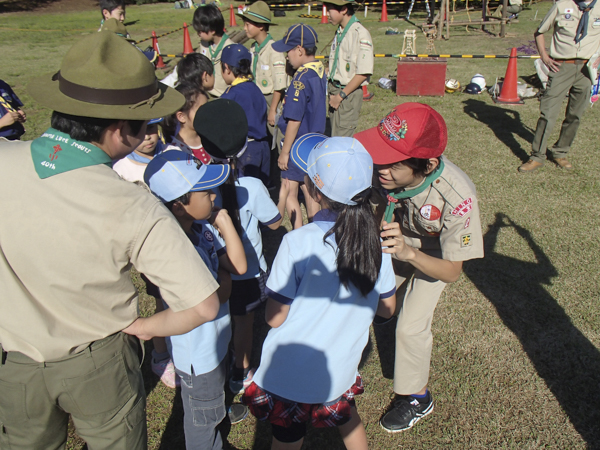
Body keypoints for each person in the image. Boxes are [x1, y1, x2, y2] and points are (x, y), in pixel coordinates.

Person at [0, 32, 221, 448]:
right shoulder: (133, 204)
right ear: (122, 131)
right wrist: (145, 327)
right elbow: (204, 303)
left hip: (16, 363)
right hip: (99, 362)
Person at [242, 134, 397, 450]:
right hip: (338, 371)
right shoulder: (378, 247)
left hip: (289, 375)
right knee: (347, 419)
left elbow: (274, 318)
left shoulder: (297, 243)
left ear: (312, 189)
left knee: (287, 436)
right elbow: (387, 309)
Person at [354, 103, 484, 433]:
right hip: (399, 236)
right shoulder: (380, 169)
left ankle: (417, 397)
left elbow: (452, 272)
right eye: (379, 155)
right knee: (364, 293)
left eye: (393, 163)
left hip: (436, 254)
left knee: (411, 325)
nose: (380, 167)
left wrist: (410, 254)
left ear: (428, 164)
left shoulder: (457, 196)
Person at [144, 150, 248, 449]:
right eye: (205, 192)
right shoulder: (174, 251)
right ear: (178, 206)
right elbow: (223, 290)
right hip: (198, 357)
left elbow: (237, 267)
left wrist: (224, 222)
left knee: (211, 407)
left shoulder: (202, 231)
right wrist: (223, 279)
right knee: (202, 417)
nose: (214, 197)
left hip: (214, 343)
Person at [193, 98, 285, 396]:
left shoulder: (198, 188)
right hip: (249, 273)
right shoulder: (253, 187)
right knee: (244, 322)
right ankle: (241, 372)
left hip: (212, 268)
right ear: (244, 145)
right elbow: (273, 224)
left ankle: (219, 363)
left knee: (220, 319)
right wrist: (284, 200)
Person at [518, 0, 600, 172]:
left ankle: (560, 152)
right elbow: (539, 32)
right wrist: (544, 57)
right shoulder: (562, 5)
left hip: (587, 70)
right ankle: (537, 156)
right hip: (561, 66)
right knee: (548, 114)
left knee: (575, 115)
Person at [272, 24, 327, 229]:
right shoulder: (319, 71)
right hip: (314, 143)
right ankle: (317, 229)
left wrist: (285, 151)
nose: (286, 56)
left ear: (300, 51)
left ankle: (298, 234)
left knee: (289, 189)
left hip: (296, 144)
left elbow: (294, 119)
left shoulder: (300, 80)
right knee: (311, 191)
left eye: (288, 51)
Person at [221, 43, 270, 185]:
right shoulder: (255, 88)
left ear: (227, 68)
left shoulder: (230, 95)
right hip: (263, 147)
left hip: (245, 151)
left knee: (246, 192)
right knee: (262, 191)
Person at [324, 0, 374, 137]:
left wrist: (340, 96)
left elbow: (363, 73)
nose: (326, 14)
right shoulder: (340, 31)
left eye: (330, 10)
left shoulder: (360, 33)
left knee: (341, 141)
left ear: (344, 10)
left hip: (346, 94)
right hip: (335, 91)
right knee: (333, 136)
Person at [237, 1, 287, 134]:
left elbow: (279, 84)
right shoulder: (254, 48)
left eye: (248, 24)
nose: (244, 28)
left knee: (274, 136)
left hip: (271, 100)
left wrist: (273, 110)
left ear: (260, 26)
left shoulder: (274, 49)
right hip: (257, 98)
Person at [162, 82, 213, 164]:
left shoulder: (214, 138)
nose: (208, 113)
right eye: (202, 109)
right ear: (181, 117)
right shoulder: (175, 151)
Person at [193, 4, 235, 98]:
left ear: (212, 30)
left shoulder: (230, 48)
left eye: (200, 31)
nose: (198, 34)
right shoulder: (204, 44)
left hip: (224, 96)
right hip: (207, 93)